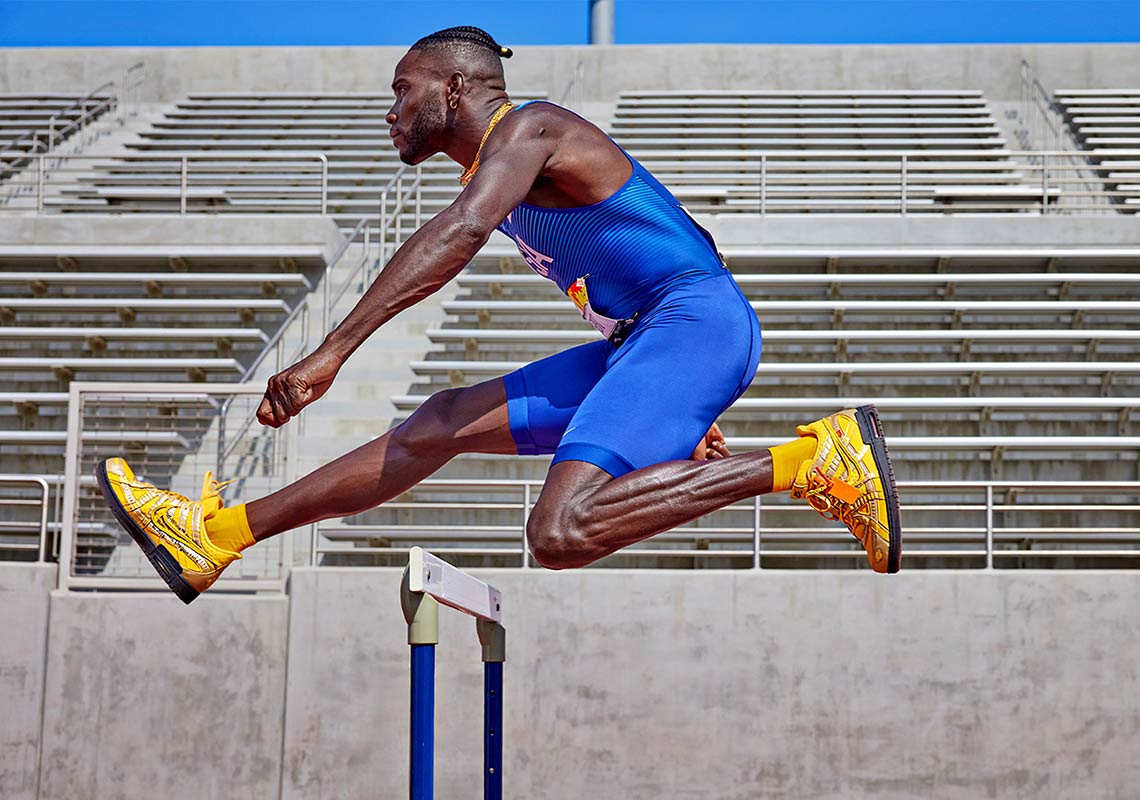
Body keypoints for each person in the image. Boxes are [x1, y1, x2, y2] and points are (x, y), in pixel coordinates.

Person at [97, 26, 901, 605]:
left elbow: (462, 231)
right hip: (652, 340)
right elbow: (673, 242)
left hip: (687, 325)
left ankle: (809, 463)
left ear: (453, 86)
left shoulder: (531, 130)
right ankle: (216, 538)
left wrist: (331, 352)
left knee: (559, 532)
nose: (391, 111)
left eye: (401, 91)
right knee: (439, 421)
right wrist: (666, 402)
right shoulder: (507, 169)